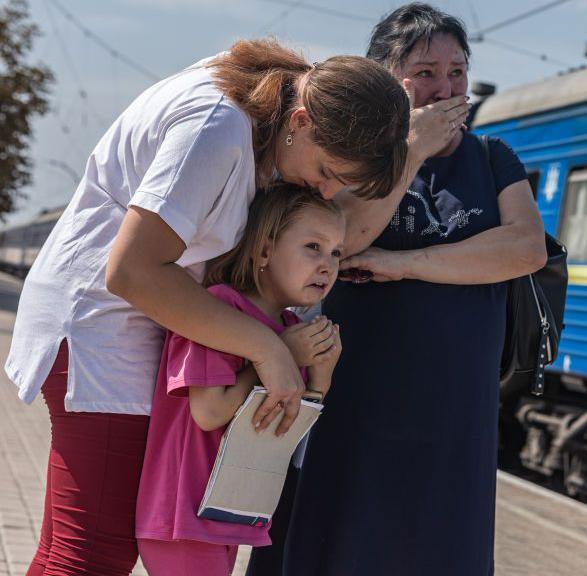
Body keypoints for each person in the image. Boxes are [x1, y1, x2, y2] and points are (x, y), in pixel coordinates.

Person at [6, 36, 467, 575]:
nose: (323, 189)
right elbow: (131, 269)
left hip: (126, 325)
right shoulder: (216, 129)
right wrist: (266, 348)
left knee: (84, 543)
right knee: (92, 550)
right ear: (301, 121)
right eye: (327, 171)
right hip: (101, 328)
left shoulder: (260, 115)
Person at [251, 4, 547, 575]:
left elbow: (523, 249)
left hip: (456, 403)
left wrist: (405, 263)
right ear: (388, 77)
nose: (446, 87)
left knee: (437, 541)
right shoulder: (358, 158)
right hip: (353, 387)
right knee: (339, 532)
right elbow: (343, 237)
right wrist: (410, 148)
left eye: (457, 71)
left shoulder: (493, 158)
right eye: (426, 72)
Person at [135, 184, 343, 576]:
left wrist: (320, 380)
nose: (328, 264)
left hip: (227, 513)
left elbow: (281, 430)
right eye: (313, 247)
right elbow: (209, 410)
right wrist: (280, 353)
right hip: (183, 517)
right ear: (264, 250)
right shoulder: (216, 310)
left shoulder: (290, 328)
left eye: (337, 252)